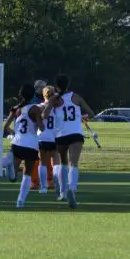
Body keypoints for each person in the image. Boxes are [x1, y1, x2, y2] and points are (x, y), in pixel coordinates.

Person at [42, 74, 95, 209]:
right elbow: (92, 113)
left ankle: (63, 192)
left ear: (57, 86)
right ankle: (72, 190)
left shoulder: (54, 99)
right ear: (68, 85)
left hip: (61, 135)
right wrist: (82, 116)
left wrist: (51, 105)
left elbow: (44, 115)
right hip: (76, 134)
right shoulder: (76, 97)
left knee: (63, 163)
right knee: (74, 164)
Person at [3, 84, 42, 209]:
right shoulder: (35, 109)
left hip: (17, 143)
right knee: (27, 174)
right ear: (33, 95)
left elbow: (5, 127)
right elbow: (42, 127)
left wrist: (15, 134)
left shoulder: (16, 109)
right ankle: (20, 201)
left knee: (13, 178)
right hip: (31, 144)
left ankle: (8, 161)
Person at [37, 85, 60, 196]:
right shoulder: (57, 108)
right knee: (56, 163)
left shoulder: (39, 107)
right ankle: (58, 185)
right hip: (54, 137)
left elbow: (40, 118)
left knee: (43, 163)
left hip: (42, 137)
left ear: (43, 95)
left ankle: (44, 186)